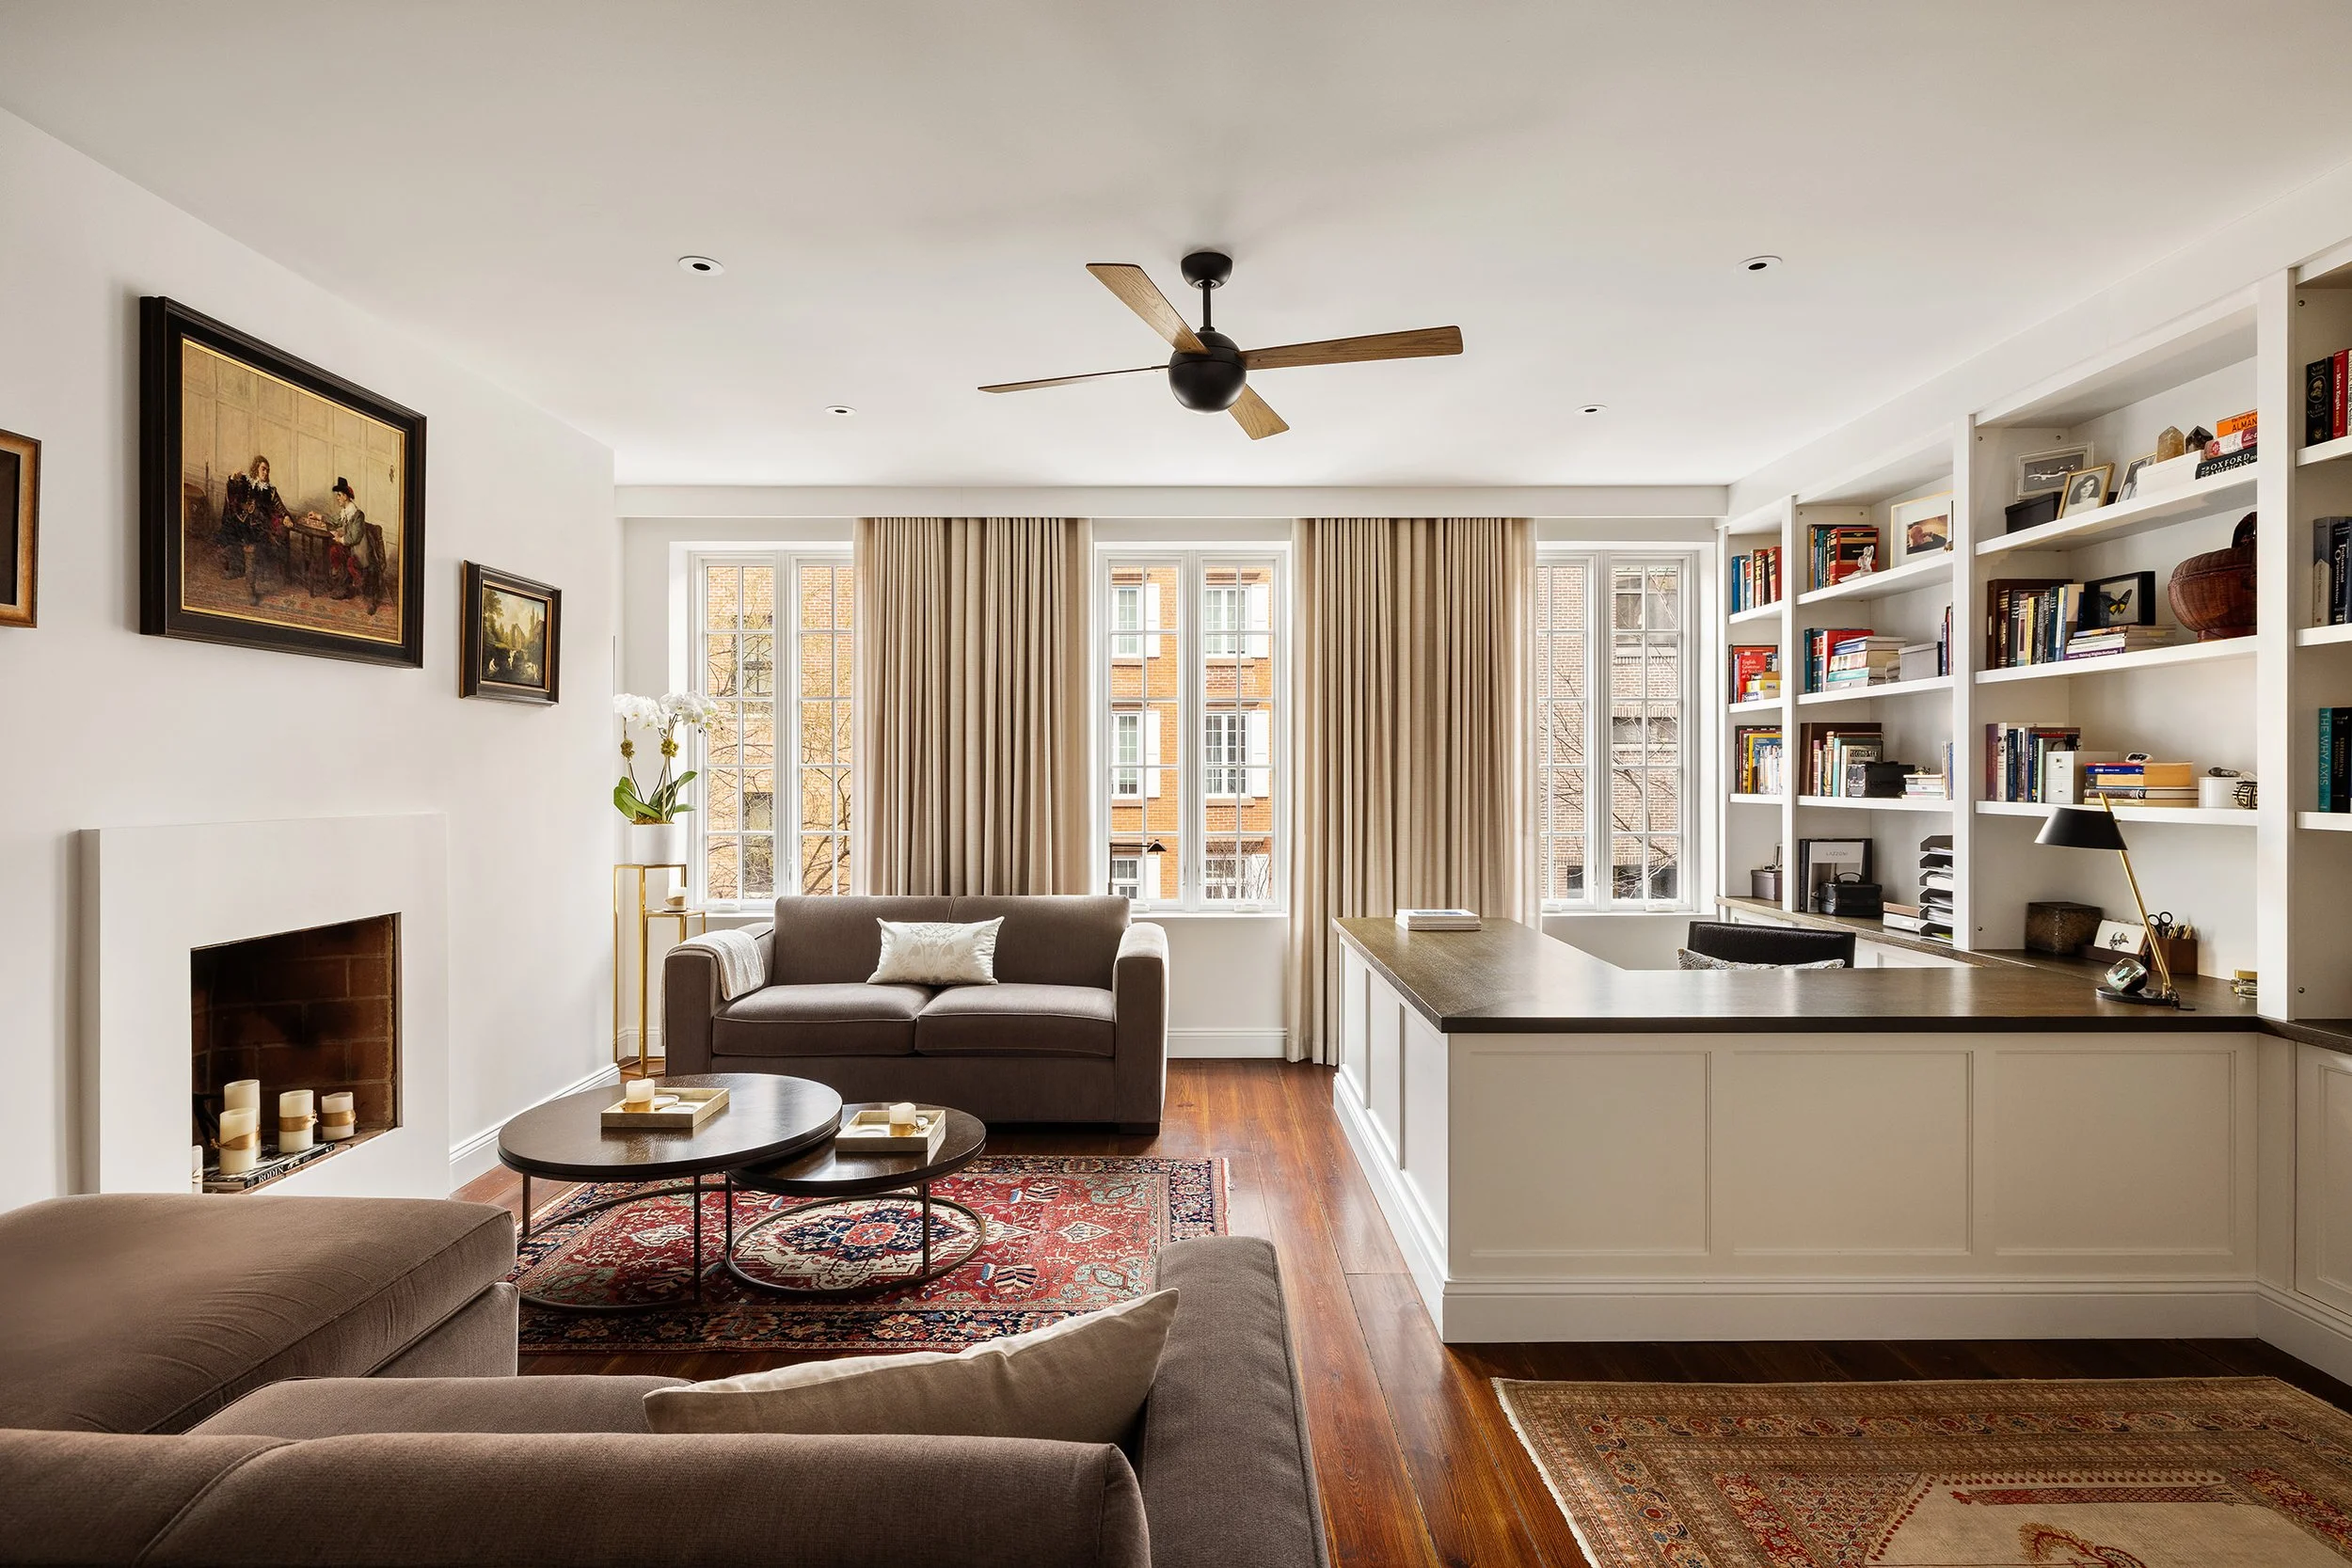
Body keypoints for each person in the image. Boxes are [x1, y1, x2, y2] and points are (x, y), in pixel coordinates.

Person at [217, 455, 292, 603]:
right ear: (256, 469)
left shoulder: (270, 490)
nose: (266, 473)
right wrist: (232, 479)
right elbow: (233, 495)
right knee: (227, 536)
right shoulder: (247, 483)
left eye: (268, 470)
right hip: (240, 521)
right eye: (263, 469)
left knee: (250, 548)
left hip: (257, 526)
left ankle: (250, 589)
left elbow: (279, 506)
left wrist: (286, 516)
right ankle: (235, 569)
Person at [320, 477, 382, 613]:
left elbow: (354, 537)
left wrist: (340, 539)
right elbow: (334, 520)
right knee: (335, 551)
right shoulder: (345, 512)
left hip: (360, 552)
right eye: (337, 495)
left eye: (340, 495)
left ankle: (370, 601)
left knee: (357, 566)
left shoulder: (357, 514)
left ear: (346, 497)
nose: (337, 498)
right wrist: (319, 517)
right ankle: (344, 589)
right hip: (350, 548)